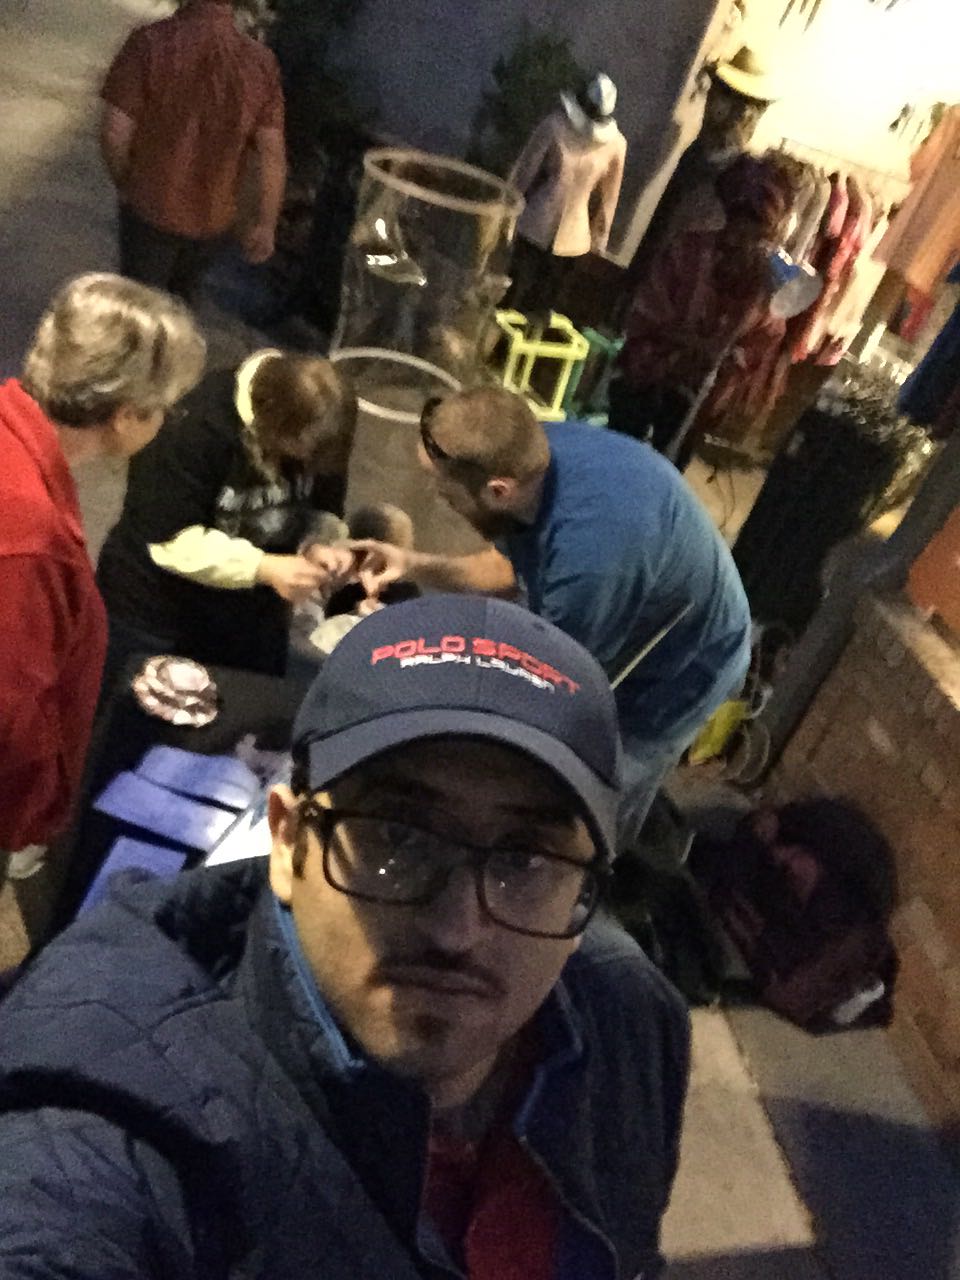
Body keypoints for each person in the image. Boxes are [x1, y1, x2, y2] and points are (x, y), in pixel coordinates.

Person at [0, 595, 690, 1278]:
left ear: (586, 893)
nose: (456, 930)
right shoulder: (110, 1128)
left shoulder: (628, 1017)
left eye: (525, 860)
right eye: (397, 837)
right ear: (286, 841)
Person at [353, 388, 752, 853]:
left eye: (445, 492)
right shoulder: (529, 451)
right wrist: (412, 564)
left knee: (597, 796)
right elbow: (509, 569)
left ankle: (598, 875)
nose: (438, 499)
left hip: (686, 664)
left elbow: (544, 689)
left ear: (497, 490)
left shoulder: (590, 565)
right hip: (641, 591)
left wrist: (420, 668)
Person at [0, 274, 205, 882]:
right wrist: (36, 816)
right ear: (125, 415)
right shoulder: (31, 541)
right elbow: (12, 720)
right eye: (164, 406)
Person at [97, 350, 358, 682]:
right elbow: (169, 541)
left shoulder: (322, 431)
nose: (305, 463)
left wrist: (320, 543)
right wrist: (264, 567)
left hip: (251, 616)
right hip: (157, 612)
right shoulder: (189, 425)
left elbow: (324, 504)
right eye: (297, 452)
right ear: (270, 422)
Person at [609, 153, 797, 470]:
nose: (744, 237)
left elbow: (766, 336)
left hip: (698, 399)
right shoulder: (688, 250)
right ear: (730, 216)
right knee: (618, 457)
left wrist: (730, 358)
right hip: (645, 373)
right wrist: (692, 345)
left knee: (668, 470)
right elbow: (648, 308)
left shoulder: (765, 281)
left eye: (757, 231)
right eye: (740, 223)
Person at [100, 0, 286, 300]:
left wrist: (126, 181)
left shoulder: (149, 42)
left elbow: (114, 131)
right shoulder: (260, 63)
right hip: (214, 217)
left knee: (137, 308)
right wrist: (266, 224)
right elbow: (271, 154)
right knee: (182, 306)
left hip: (151, 207)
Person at [627, 46, 780, 289]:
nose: (710, 102)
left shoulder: (740, 181)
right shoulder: (697, 152)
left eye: (721, 94)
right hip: (658, 272)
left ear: (745, 112)